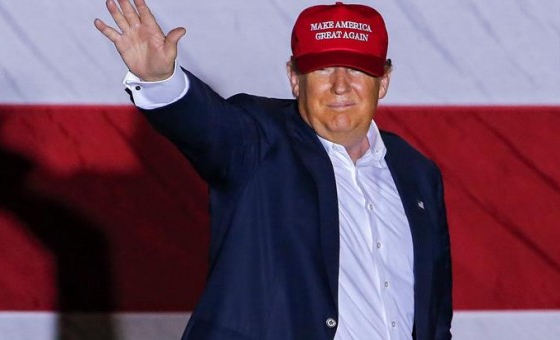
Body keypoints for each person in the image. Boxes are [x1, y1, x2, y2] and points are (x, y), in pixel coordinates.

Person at [95, 1, 452, 339]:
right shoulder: (259, 141)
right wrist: (162, 80)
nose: (340, 85)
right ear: (295, 78)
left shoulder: (417, 173)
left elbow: (434, 313)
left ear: (384, 80)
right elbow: (207, 128)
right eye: (323, 68)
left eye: (357, 69)